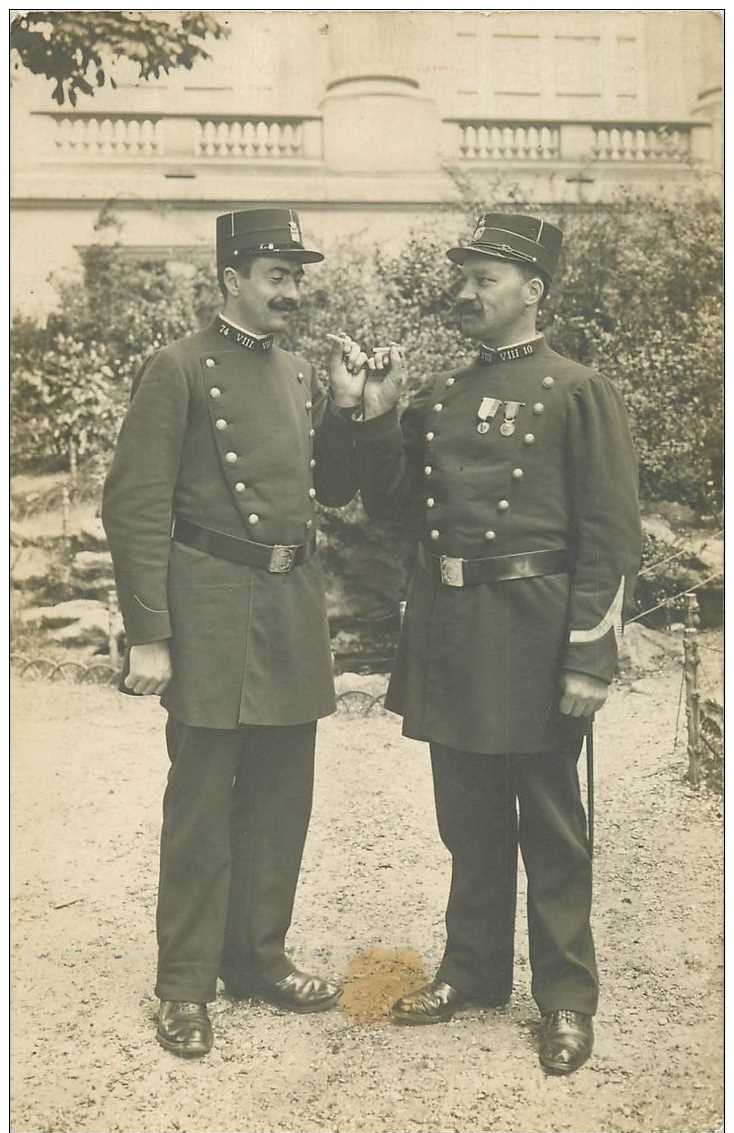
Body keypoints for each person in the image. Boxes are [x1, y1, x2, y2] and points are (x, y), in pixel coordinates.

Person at [347, 212, 642, 1074]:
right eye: (463, 276)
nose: (465, 293)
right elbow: (394, 511)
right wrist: (376, 419)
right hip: (453, 631)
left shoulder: (579, 390)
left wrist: (590, 654)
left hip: (537, 633)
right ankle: (472, 970)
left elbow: (611, 536)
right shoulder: (438, 396)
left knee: (551, 824)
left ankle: (566, 998)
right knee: (467, 820)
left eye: (485, 278)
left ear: (533, 291)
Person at [102, 207, 366, 1058]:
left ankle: (256, 958)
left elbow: (317, 486)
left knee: (284, 794)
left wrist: (351, 415)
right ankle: (183, 983)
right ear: (230, 280)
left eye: (298, 274)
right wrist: (149, 631)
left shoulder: (294, 371)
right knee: (202, 802)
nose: (293, 290)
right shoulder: (177, 368)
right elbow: (135, 503)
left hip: (288, 604)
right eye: (276, 275)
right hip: (211, 603)